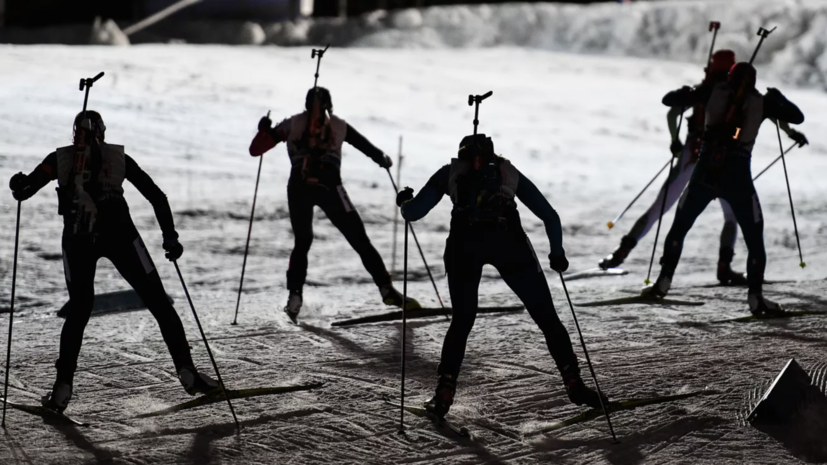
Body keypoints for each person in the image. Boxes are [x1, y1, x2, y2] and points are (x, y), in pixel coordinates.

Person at [8, 110, 219, 413]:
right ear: (103, 133)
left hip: (79, 237)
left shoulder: (60, 159)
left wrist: (19, 183)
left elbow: (26, 189)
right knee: (159, 302)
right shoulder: (118, 158)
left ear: (74, 134)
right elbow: (157, 197)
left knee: (80, 310)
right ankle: (186, 370)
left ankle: (62, 389)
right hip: (121, 234)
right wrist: (170, 237)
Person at [396, 134, 607, 419]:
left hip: (464, 247)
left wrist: (404, 201)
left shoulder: (451, 172)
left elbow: (414, 212)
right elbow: (550, 216)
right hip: (509, 243)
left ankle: (444, 393)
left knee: (462, 321)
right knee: (546, 317)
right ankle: (574, 382)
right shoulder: (508, 172)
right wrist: (557, 254)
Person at [599, 50, 808, 285]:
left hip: (694, 157)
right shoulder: (749, 97)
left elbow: (672, 110)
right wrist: (790, 132)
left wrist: (674, 141)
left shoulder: (708, 90)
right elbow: (775, 113)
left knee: (661, 209)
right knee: (732, 217)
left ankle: (623, 253)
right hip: (730, 165)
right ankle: (725, 268)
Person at [642, 62, 806, 315]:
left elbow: (669, 100)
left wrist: (699, 87)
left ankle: (663, 282)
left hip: (705, 172)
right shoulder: (762, 102)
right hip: (738, 175)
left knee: (680, 227)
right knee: (754, 238)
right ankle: (755, 298)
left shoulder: (712, 92)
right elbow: (797, 117)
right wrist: (778, 97)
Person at [250, 87, 419, 324]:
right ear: (330, 106)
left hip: (298, 186)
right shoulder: (339, 126)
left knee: (303, 241)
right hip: (331, 186)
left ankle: (295, 296)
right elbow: (368, 148)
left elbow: (256, 150)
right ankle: (386, 289)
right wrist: (383, 159)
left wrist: (264, 131)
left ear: (306, 104)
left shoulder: (292, 124)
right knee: (360, 239)